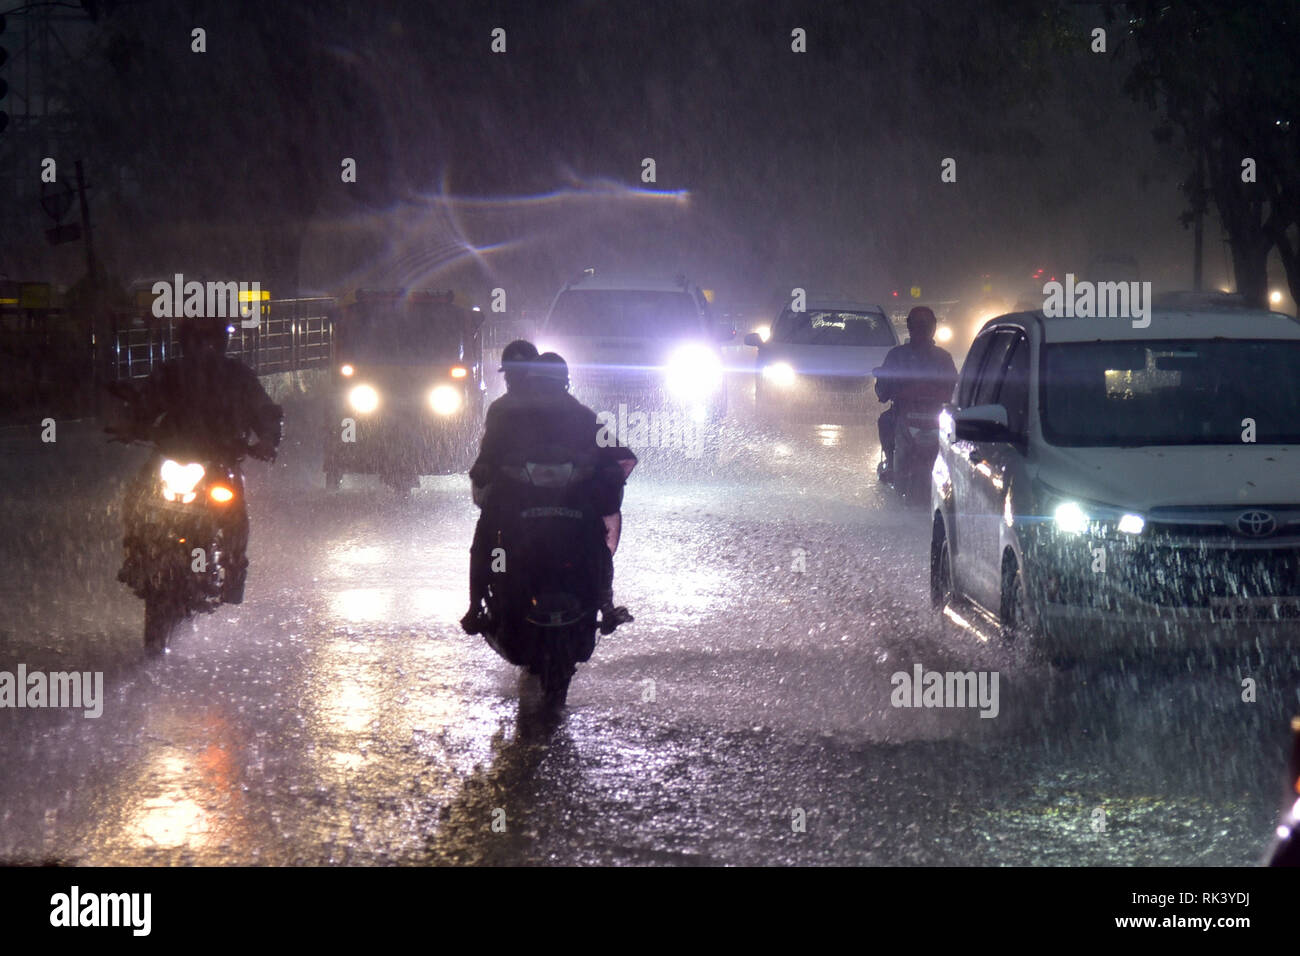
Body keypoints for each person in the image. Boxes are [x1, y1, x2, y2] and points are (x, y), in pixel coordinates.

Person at [460, 347, 634, 636]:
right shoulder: (508, 414)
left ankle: (605, 604)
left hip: (570, 500)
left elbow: (613, 450)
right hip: (517, 498)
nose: (546, 392)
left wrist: (609, 472)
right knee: (490, 538)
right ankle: (476, 606)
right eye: (542, 384)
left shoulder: (581, 415)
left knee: (596, 540)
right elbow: (488, 452)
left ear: (564, 385)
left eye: (552, 385)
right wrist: (484, 468)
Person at [116, 316, 282, 603]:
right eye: (197, 341)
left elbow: (263, 409)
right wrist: (130, 425)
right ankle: (135, 557)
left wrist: (266, 440)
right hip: (171, 455)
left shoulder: (238, 375)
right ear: (186, 343)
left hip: (221, 459)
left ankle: (233, 570)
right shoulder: (169, 373)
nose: (203, 347)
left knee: (234, 512)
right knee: (137, 497)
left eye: (209, 340)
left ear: (220, 343)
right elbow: (145, 404)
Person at [874, 306, 958, 479]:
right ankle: (891, 463)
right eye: (917, 325)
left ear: (933, 327)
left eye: (924, 325)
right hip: (903, 415)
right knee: (886, 421)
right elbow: (883, 390)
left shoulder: (944, 358)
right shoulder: (897, 355)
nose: (921, 329)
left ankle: (953, 470)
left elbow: (953, 389)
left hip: (937, 417)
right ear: (910, 327)